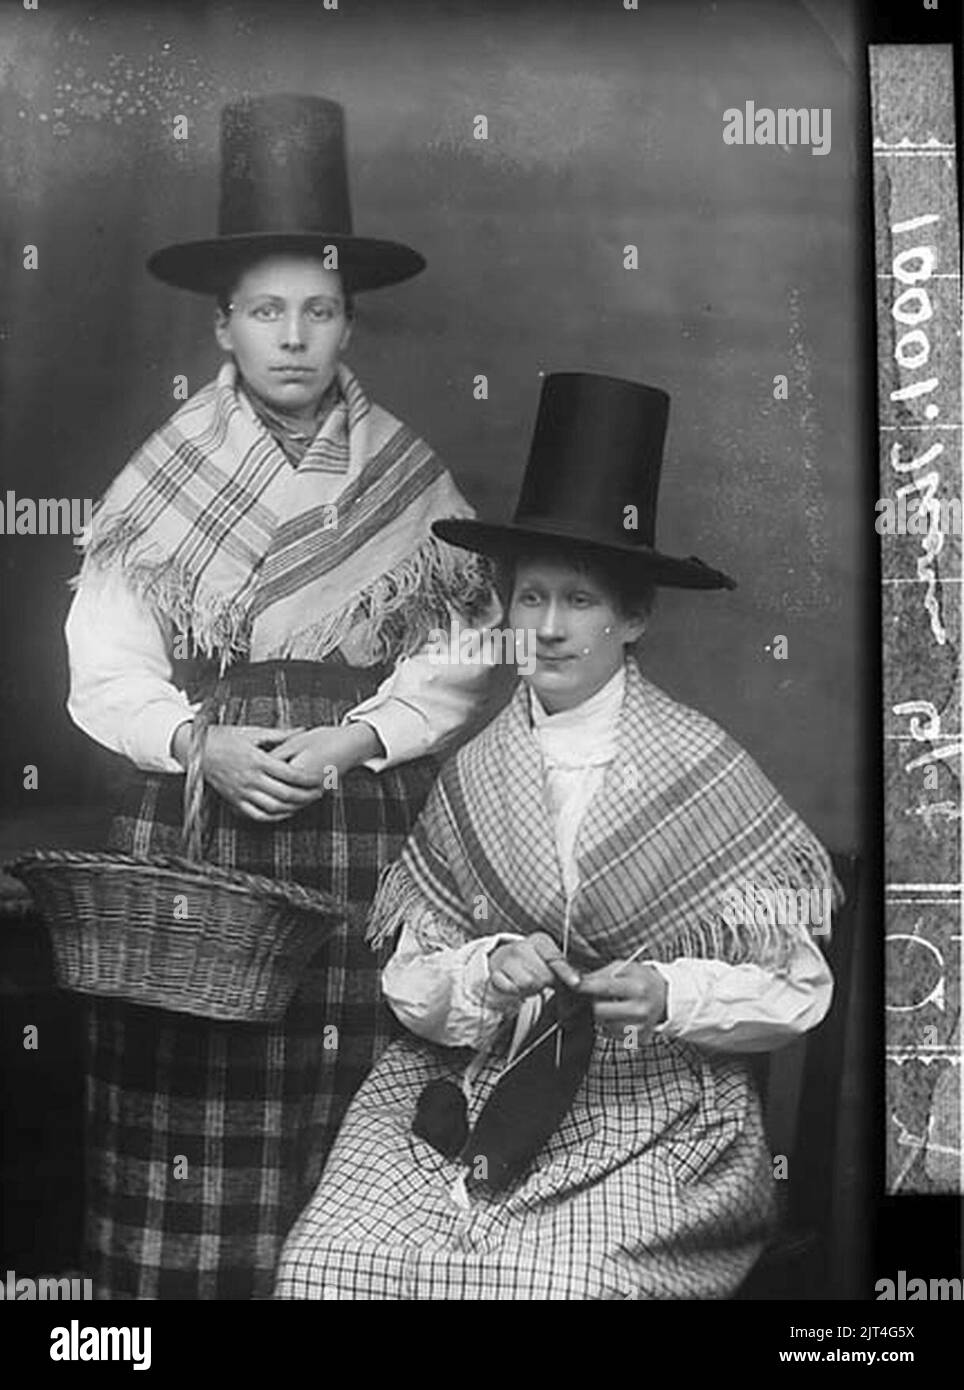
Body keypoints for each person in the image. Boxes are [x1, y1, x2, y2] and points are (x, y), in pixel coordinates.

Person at [64, 94, 499, 1300]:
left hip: (358, 818)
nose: (293, 337)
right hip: (195, 817)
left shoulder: (412, 476)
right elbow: (102, 668)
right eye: (266, 312)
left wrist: (357, 735)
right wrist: (198, 742)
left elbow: (459, 650)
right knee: (185, 1103)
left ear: (349, 321)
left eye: (317, 310)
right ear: (223, 326)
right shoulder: (162, 477)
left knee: (345, 1089)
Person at [274, 371, 836, 1301]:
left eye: (580, 601)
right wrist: (488, 972)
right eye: (531, 599)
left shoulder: (704, 767)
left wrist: (669, 991)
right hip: (485, 1089)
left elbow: (797, 987)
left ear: (634, 617)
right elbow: (415, 982)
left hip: (653, 1113)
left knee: (547, 1287)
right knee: (329, 1266)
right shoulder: (477, 773)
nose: (550, 627)